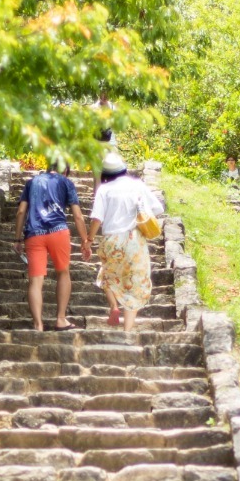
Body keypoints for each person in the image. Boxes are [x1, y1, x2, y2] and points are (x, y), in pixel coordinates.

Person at [87, 137, 163, 334]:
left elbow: (96, 218)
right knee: (135, 283)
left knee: (107, 275)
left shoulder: (104, 189)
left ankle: (113, 307)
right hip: (134, 240)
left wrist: (88, 240)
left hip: (111, 239)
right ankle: (128, 330)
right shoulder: (136, 185)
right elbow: (158, 208)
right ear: (123, 169)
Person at [17, 154, 93, 331]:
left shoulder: (32, 183)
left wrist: (17, 238)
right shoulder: (66, 182)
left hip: (34, 234)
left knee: (35, 281)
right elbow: (78, 216)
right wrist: (85, 240)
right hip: (58, 232)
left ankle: (38, 324)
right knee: (63, 273)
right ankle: (60, 319)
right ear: (65, 170)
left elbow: (21, 212)